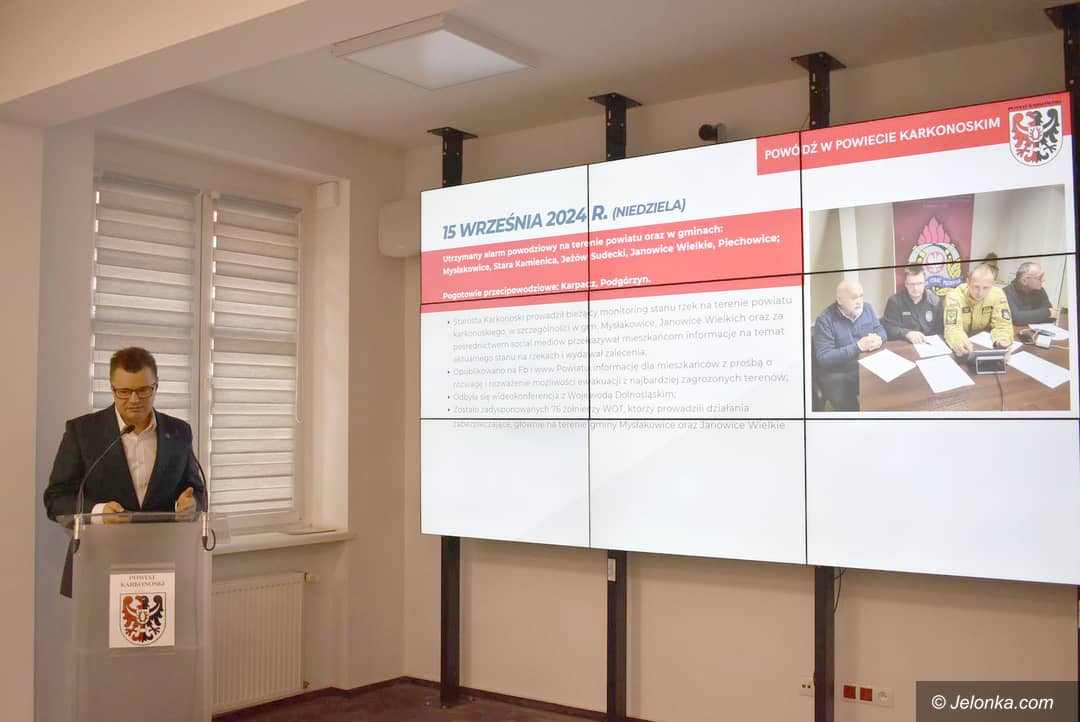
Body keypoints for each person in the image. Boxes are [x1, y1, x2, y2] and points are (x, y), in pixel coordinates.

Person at [44, 347, 205, 596]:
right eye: (124, 391)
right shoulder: (83, 432)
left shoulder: (179, 432)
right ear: (112, 389)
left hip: (162, 564)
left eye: (143, 390)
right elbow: (55, 499)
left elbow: (198, 491)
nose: (134, 399)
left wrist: (191, 505)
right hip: (100, 562)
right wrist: (98, 513)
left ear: (156, 386)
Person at [812, 278, 887, 411]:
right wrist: (857, 347)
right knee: (843, 394)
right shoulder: (824, 320)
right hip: (838, 372)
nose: (859, 301)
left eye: (861, 296)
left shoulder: (867, 308)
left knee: (888, 387)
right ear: (839, 300)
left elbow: (881, 331)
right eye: (854, 298)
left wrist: (879, 338)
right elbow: (824, 358)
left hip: (864, 366)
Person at [942, 263, 1014, 355]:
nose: (980, 293)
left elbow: (1003, 324)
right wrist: (959, 342)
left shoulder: (998, 295)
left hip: (986, 346)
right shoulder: (954, 296)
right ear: (968, 282)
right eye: (976, 287)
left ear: (992, 284)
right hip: (964, 348)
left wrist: (1002, 340)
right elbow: (952, 327)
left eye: (986, 288)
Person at [882, 265, 943, 343]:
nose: (916, 288)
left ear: (924, 283)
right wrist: (907, 333)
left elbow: (941, 329)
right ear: (905, 284)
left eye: (919, 283)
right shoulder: (894, 302)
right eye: (911, 284)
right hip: (905, 344)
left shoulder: (935, 301)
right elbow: (889, 329)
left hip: (930, 344)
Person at [1003, 261, 1057, 325]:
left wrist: (1026, 316)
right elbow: (1016, 318)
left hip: (1037, 330)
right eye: (1040, 277)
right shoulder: (1006, 292)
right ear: (1024, 280)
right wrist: (1047, 313)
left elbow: (1053, 317)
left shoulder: (1040, 290)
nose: (1043, 280)